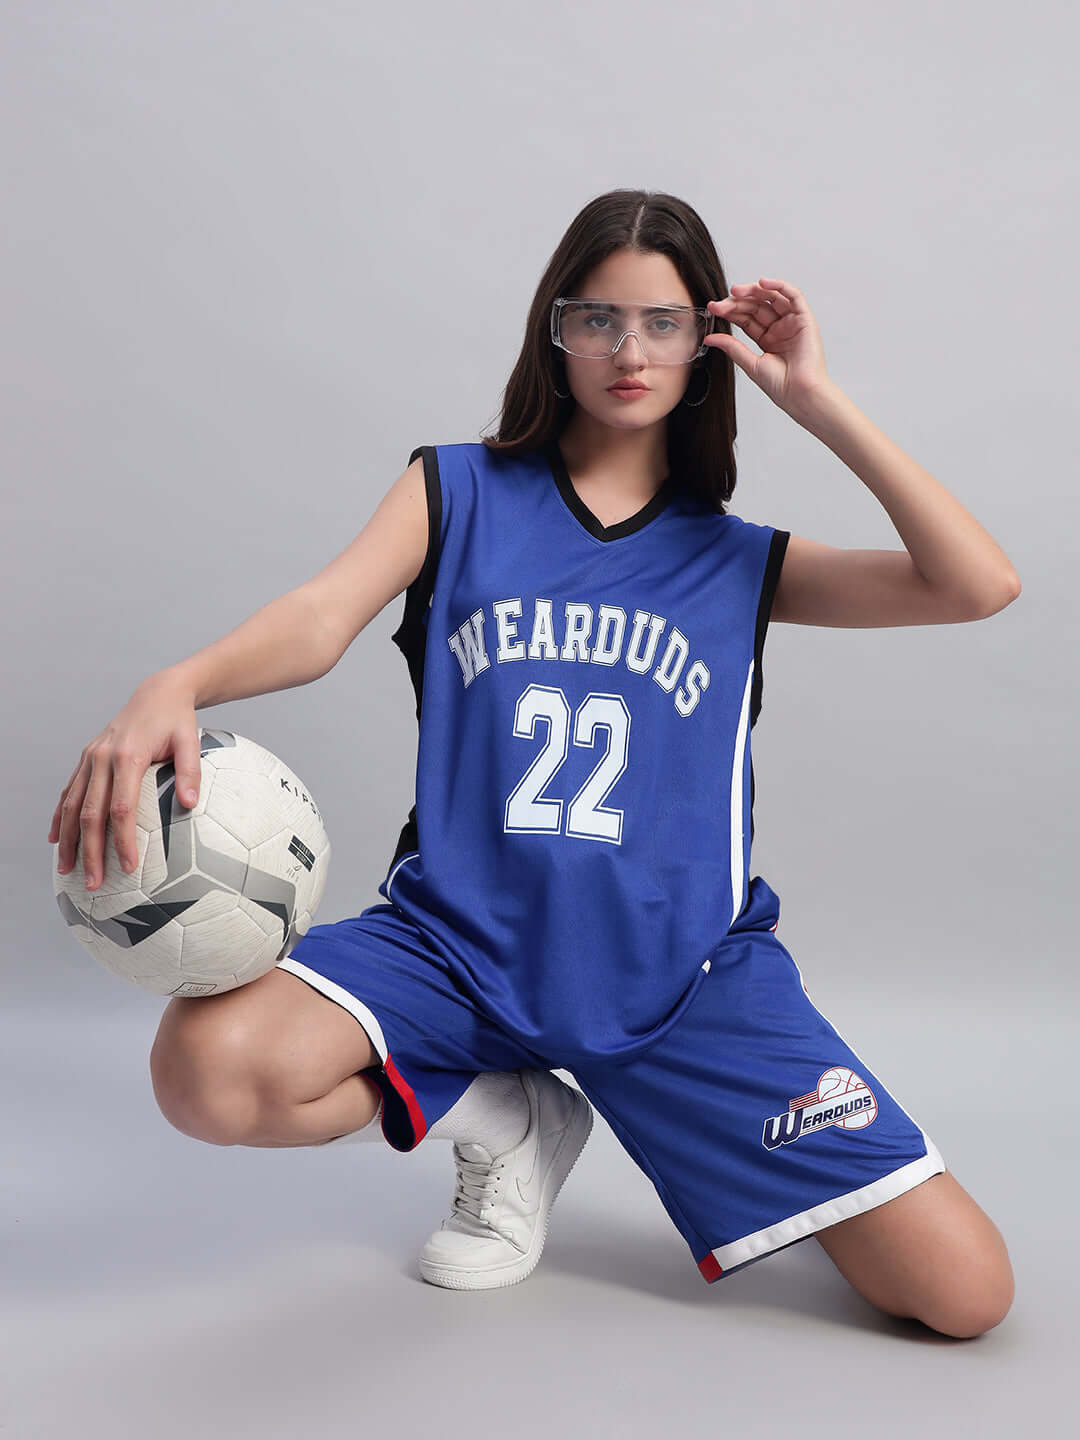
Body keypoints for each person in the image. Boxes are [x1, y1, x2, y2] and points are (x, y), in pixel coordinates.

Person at [50, 190, 1018, 1335]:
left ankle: (595, 1104)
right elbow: (319, 619)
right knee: (203, 1072)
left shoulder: (739, 562)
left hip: (678, 990)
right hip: (460, 950)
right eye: (595, 317)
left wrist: (818, 402)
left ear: (708, 344)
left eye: (662, 322)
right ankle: (505, 1116)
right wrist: (179, 681)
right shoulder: (456, 493)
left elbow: (976, 583)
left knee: (966, 1297)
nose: (627, 350)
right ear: (553, 332)